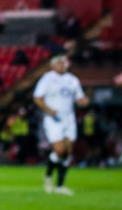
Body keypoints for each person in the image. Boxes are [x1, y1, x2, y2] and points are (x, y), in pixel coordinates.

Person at [33, 54, 89, 194]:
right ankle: (48, 175)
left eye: (63, 62)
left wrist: (83, 101)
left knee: (67, 152)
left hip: (69, 119)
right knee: (60, 150)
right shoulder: (47, 78)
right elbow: (37, 97)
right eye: (59, 62)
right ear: (53, 65)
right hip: (54, 119)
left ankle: (59, 185)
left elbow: (79, 97)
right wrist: (48, 109)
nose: (62, 65)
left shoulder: (72, 80)